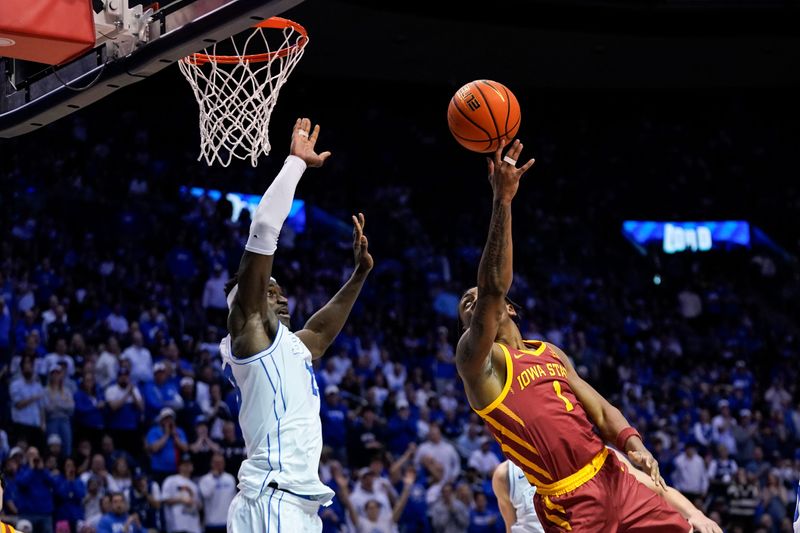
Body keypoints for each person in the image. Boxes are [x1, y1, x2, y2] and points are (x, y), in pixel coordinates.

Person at [455, 140, 688, 532]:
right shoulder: (478, 363)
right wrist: (504, 201)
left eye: (475, 297)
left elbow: (598, 409)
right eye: (466, 303)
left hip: (612, 473)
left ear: (511, 309)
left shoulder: (549, 352)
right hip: (569, 500)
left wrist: (634, 444)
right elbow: (493, 285)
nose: (472, 301)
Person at [221, 118, 373, 532]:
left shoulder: (287, 345)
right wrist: (295, 163)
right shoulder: (250, 332)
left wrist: (358, 276)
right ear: (247, 301)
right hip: (272, 498)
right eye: (271, 291)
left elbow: (321, 335)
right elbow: (265, 229)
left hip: (298, 505)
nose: (283, 297)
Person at [494, 450, 723, 533]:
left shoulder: (601, 457)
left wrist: (696, 514)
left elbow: (659, 490)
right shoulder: (505, 475)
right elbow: (510, 527)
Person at [335, 468, 414, 533]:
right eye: (370, 508)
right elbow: (350, 507)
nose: (373, 510)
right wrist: (343, 488)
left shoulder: (386, 521)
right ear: (366, 511)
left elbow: (400, 506)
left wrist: (407, 487)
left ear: (379, 510)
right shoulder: (362, 523)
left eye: (375, 508)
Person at [145, 408, 188, 483]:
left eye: (170, 418)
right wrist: (166, 434)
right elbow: (154, 448)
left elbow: (185, 448)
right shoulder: (154, 431)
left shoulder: (179, 431)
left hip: (175, 469)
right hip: (158, 469)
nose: (168, 421)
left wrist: (175, 436)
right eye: (166, 419)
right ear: (161, 420)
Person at [161, 455, 201, 533]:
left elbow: (199, 506)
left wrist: (193, 502)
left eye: (189, 464)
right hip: (177, 526)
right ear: (179, 466)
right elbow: (164, 499)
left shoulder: (195, 486)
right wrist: (180, 500)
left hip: (193, 526)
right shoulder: (171, 480)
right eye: (184, 464)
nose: (187, 467)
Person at [198, 453, 236, 533]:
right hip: (211, 523)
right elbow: (206, 495)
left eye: (221, 462)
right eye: (216, 462)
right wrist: (215, 479)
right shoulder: (205, 479)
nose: (218, 465)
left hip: (228, 523)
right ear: (211, 464)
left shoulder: (230, 479)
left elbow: (234, 500)